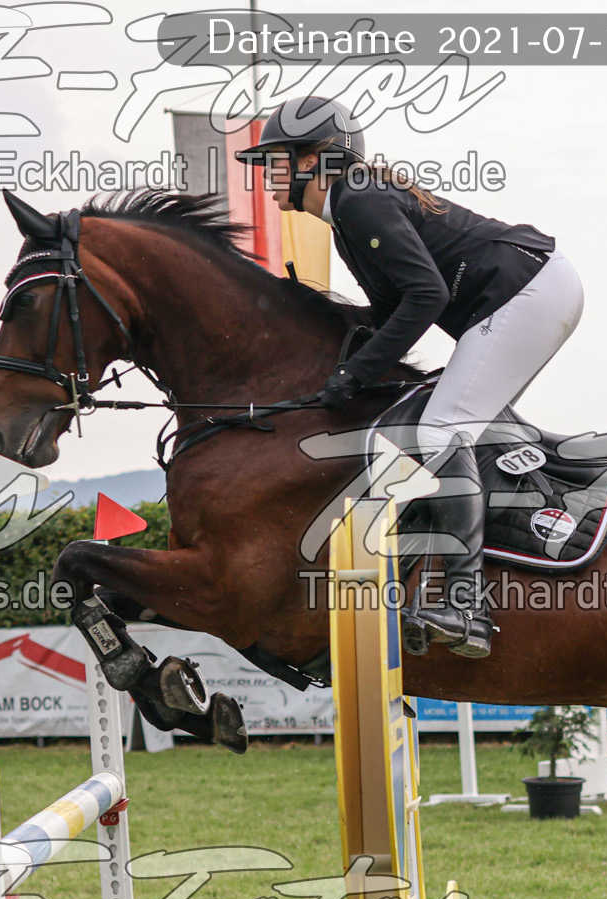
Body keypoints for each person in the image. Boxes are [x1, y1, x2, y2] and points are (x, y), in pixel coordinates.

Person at [237, 96, 583, 659]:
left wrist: (354, 373)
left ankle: (467, 607)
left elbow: (426, 296)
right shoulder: (349, 211)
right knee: (447, 427)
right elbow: (388, 311)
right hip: (530, 292)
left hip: (528, 294)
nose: (265, 176)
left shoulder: (358, 201)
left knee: (441, 430)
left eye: (275, 160)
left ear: (313, 159)